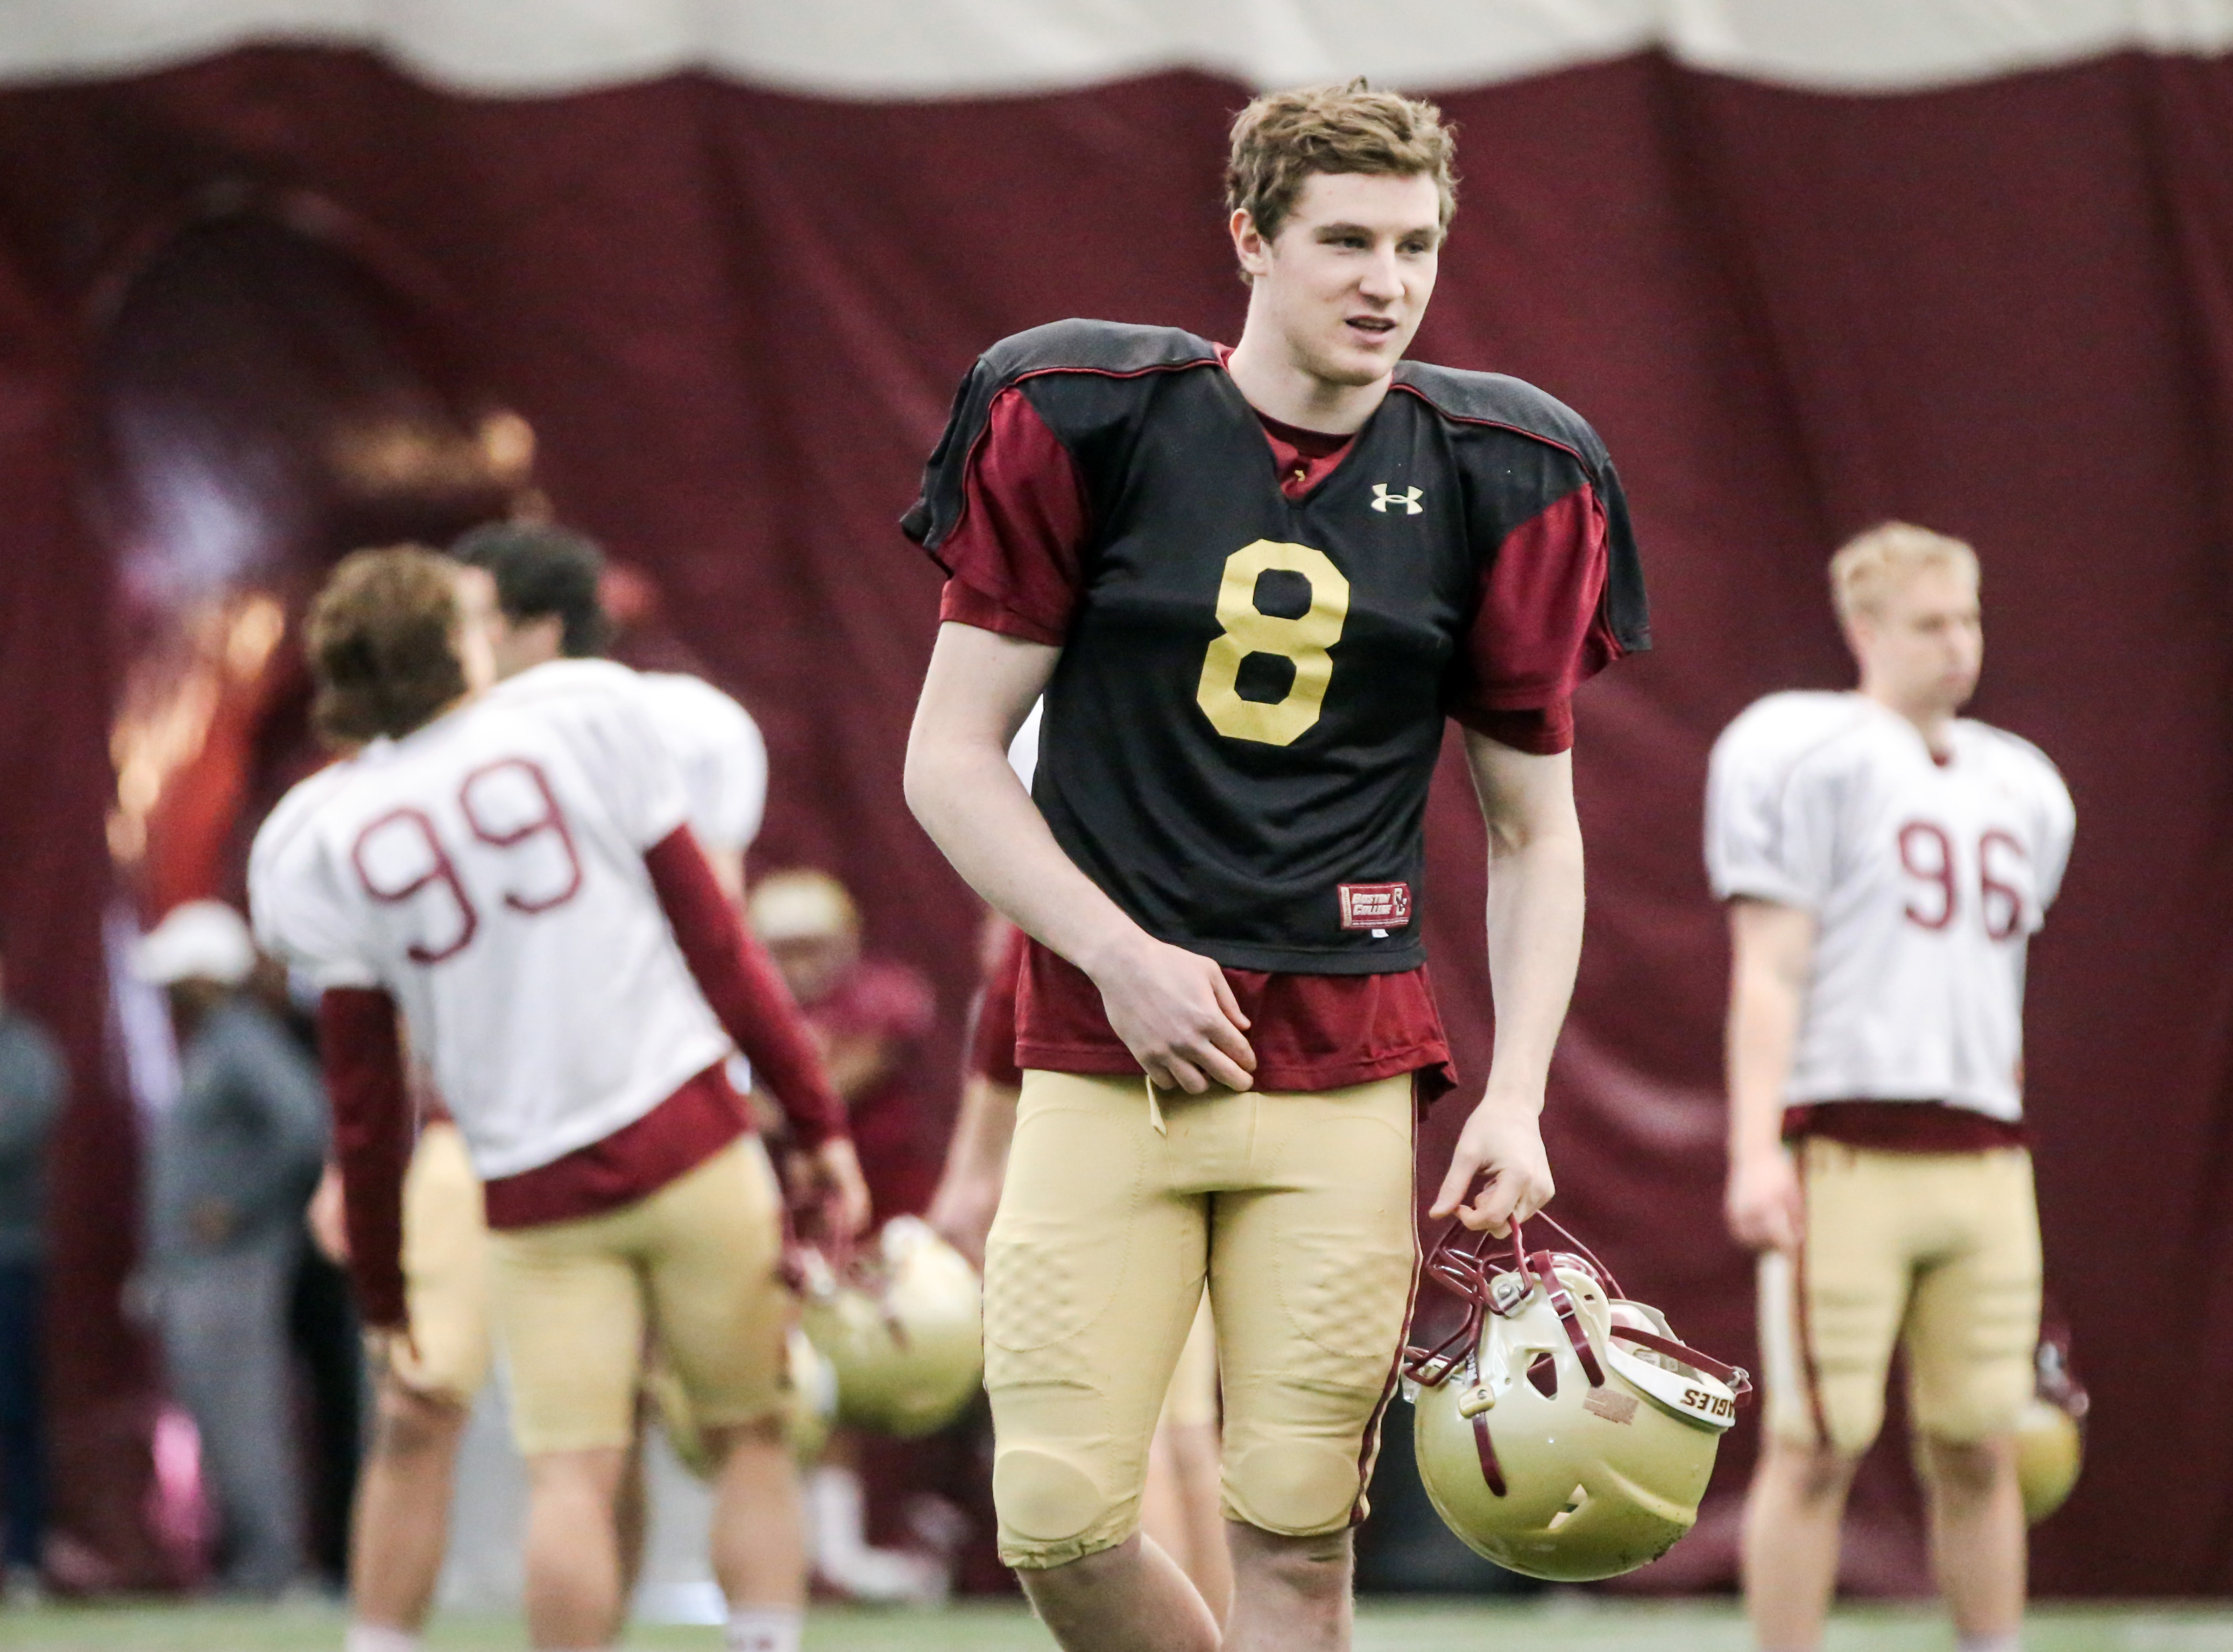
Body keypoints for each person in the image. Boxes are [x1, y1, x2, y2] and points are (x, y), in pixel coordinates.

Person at [900, 82, 1645, 1652]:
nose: (1389, 280)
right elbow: (948, 761)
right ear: (1250, 238)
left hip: (1345, 1060)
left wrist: (1516, 1093)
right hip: (1109, 1049)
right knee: (1053, 1514)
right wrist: (1113, 951)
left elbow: (1535, 828)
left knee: (1297, 1536)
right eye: (1348, 241)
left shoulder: (1498, 468)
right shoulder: (1093, 417)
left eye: (1418, 244)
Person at [250, 546, 868, 1652]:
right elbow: (718, 941)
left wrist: (385, 1290)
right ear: (452, 640)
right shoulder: (583, 715)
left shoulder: (324, 831)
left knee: (568, 1474)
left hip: (528, 1183)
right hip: (688, 1135)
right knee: (751, 1433)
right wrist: (815, 1116)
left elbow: (362, 1089)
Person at [1708, 524, 2074, 1652]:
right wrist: (1754, 1144)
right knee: (1815, 1441)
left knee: (1981, 1439)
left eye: (1967, 618)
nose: (1958, 644)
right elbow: (1767, 965)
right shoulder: (1803, 750)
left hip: (1983, 1154)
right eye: (1928, 622)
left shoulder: (2023, 781)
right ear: (1862, 629)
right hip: (1847, 1144)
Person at [136, 900, 330, 1596]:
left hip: (236, 1266)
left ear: (207, 976)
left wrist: (238, 1206)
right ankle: (250, 1559)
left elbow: (307, 1125)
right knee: (219, 1411)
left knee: (242, 1410)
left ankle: (270, 1563)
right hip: (198, 1268)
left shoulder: (243, 1040)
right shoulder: (216, 1042)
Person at [0, 930, 65, 1601]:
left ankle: (23, 1556)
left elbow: (15, 1128)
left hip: (8, 1257)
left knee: (15, 1406)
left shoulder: (25, 1052)